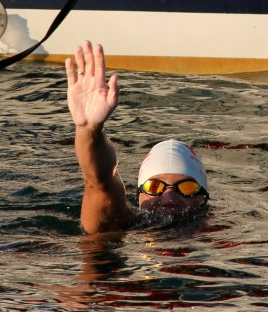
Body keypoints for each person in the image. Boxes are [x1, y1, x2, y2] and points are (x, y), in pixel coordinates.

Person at [66, 41, 210, 234]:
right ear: (139, 195)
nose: (169, 199)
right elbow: (99, 182)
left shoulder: (223, 235)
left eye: (186, 187)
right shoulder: (123, 226)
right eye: (154, 186)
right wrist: (89, 130)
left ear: (203, 198)